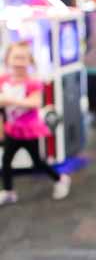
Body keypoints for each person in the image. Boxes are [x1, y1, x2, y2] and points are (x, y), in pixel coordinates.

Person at [0, 40, 71, 205]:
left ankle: (61, 178)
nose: (19, 62)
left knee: (37, 162)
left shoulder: (33, 83)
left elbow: (35, 103)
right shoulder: (3, 80)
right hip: (11, 130)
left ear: (29, 61)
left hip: (28, 131)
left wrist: (7, 99)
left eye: (23, 58)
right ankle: (9, 191)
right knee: (6, 161)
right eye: (15, 58)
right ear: (8, 59)